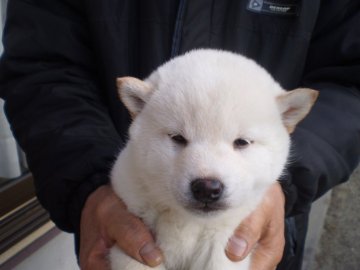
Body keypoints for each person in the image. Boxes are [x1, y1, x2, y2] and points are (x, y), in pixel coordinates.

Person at [0, 1, 359, 269]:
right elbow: (43, 69)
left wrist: (288, 183)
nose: (206, 177)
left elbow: (350, 82)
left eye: (240, 143)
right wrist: (88, 185)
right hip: (117, 213)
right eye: (179, 140)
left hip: (266, 224)